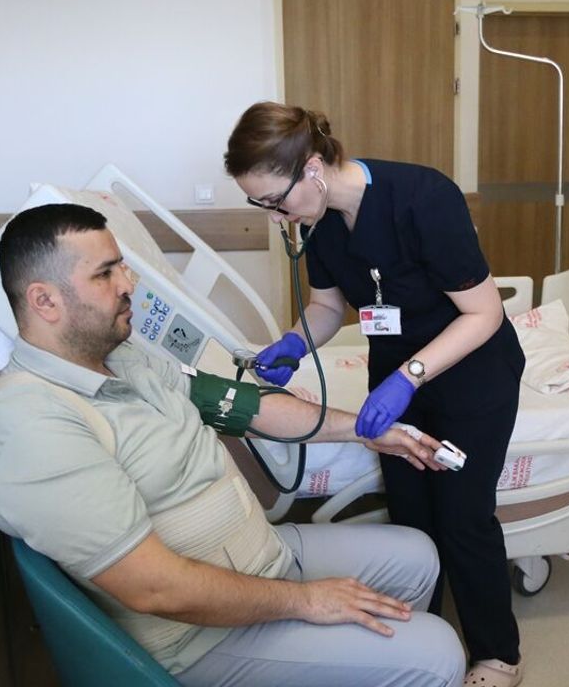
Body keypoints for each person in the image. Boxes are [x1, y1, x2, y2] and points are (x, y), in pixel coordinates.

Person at [0, 203, 468, 687]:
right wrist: (307, 601)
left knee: (418, 556)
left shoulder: (124, 358)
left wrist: (365, 430)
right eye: (106, 274)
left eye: (122, 266)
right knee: (436, 653)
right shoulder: (34, 425)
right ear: (45, 301)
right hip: (197, 638)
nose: (129, 283)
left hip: (260, 557)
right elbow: (155, 589)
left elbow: (244, 407)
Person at [225, 102, 526, 686]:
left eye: (275, 200)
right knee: (411, 516)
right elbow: (327, 305)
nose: (275, 216)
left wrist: (409, 376)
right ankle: (420, 638)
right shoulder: (319, 222)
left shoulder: (424, 198)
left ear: (313, 170)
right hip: (397, 377)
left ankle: (498, 655)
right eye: (260, 205)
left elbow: (485, 313)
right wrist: (294, 343)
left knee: (462, 516)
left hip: (470, 373)